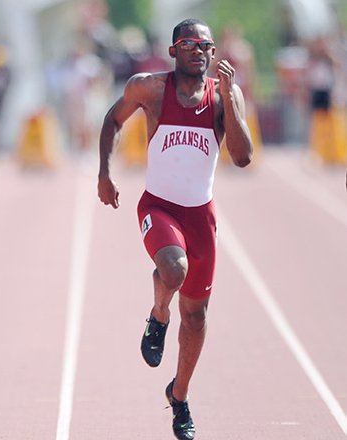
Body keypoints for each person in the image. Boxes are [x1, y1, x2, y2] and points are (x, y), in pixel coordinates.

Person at [97, 19, 253, 440]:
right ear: (173, 51)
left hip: (201, 217)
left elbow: (242, 157)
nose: (198, 50)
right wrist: (104, 174)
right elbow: (112, 120)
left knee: (198, 317)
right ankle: (158, 315)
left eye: (205, 44)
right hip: (160, 206)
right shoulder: (149, 88)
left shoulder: (224, 96)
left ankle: (179, 396)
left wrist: (229, 101)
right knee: (173, 267)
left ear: (213, 51)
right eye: (188, 43)